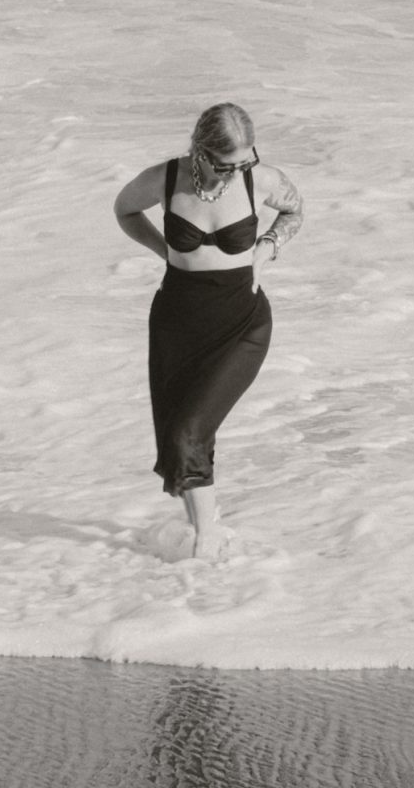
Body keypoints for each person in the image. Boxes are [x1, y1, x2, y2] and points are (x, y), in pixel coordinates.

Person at [113, 103, 304, 559]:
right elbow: (124, 210)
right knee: (184, 433)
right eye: (226, 165)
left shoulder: (264, 180)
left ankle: (207, 544)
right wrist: (165, 251)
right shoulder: (164, 179)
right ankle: (203, 527)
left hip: (242, 324)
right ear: (201, 151)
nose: (236, 172)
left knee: (189, 431)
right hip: (177, 323)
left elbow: (295, 212)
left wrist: (266, 249)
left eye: (245, 161)